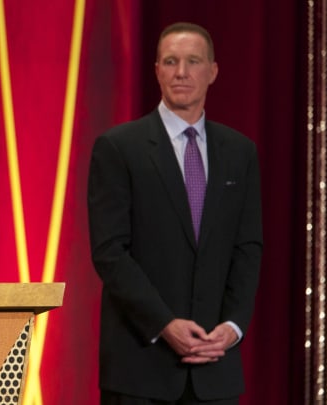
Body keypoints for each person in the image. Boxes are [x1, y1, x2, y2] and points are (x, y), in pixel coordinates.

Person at [87, 22, 262, 404]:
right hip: (140, 370)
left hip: (216, 370)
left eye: (193, 61)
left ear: (213, 71)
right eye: (170, 61)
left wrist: (232, 326)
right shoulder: (118, 148)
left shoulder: (240, 152)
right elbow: (110, 252)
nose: (181, 72)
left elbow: (247, 250)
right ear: (157, 70)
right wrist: (164, 324)